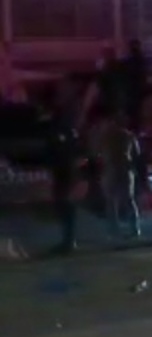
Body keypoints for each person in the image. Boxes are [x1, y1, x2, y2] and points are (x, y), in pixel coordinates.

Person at [45, 98, 81, 253]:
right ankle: (68, 240)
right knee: (65, 207)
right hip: (67, 172)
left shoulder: (61, 131)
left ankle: (69, 242)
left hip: (64, 173)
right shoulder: (70, 131)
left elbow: (58, 152)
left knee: (65, 206)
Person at [100, 112, 141, 238]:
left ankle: (113, 230)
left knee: (111, 201)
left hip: (111, 169)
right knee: (129, 200)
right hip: (125, 169)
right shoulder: (129, 136)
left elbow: (99, 152)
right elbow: (137, 154)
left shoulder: (107, 136)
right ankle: (135, 229)